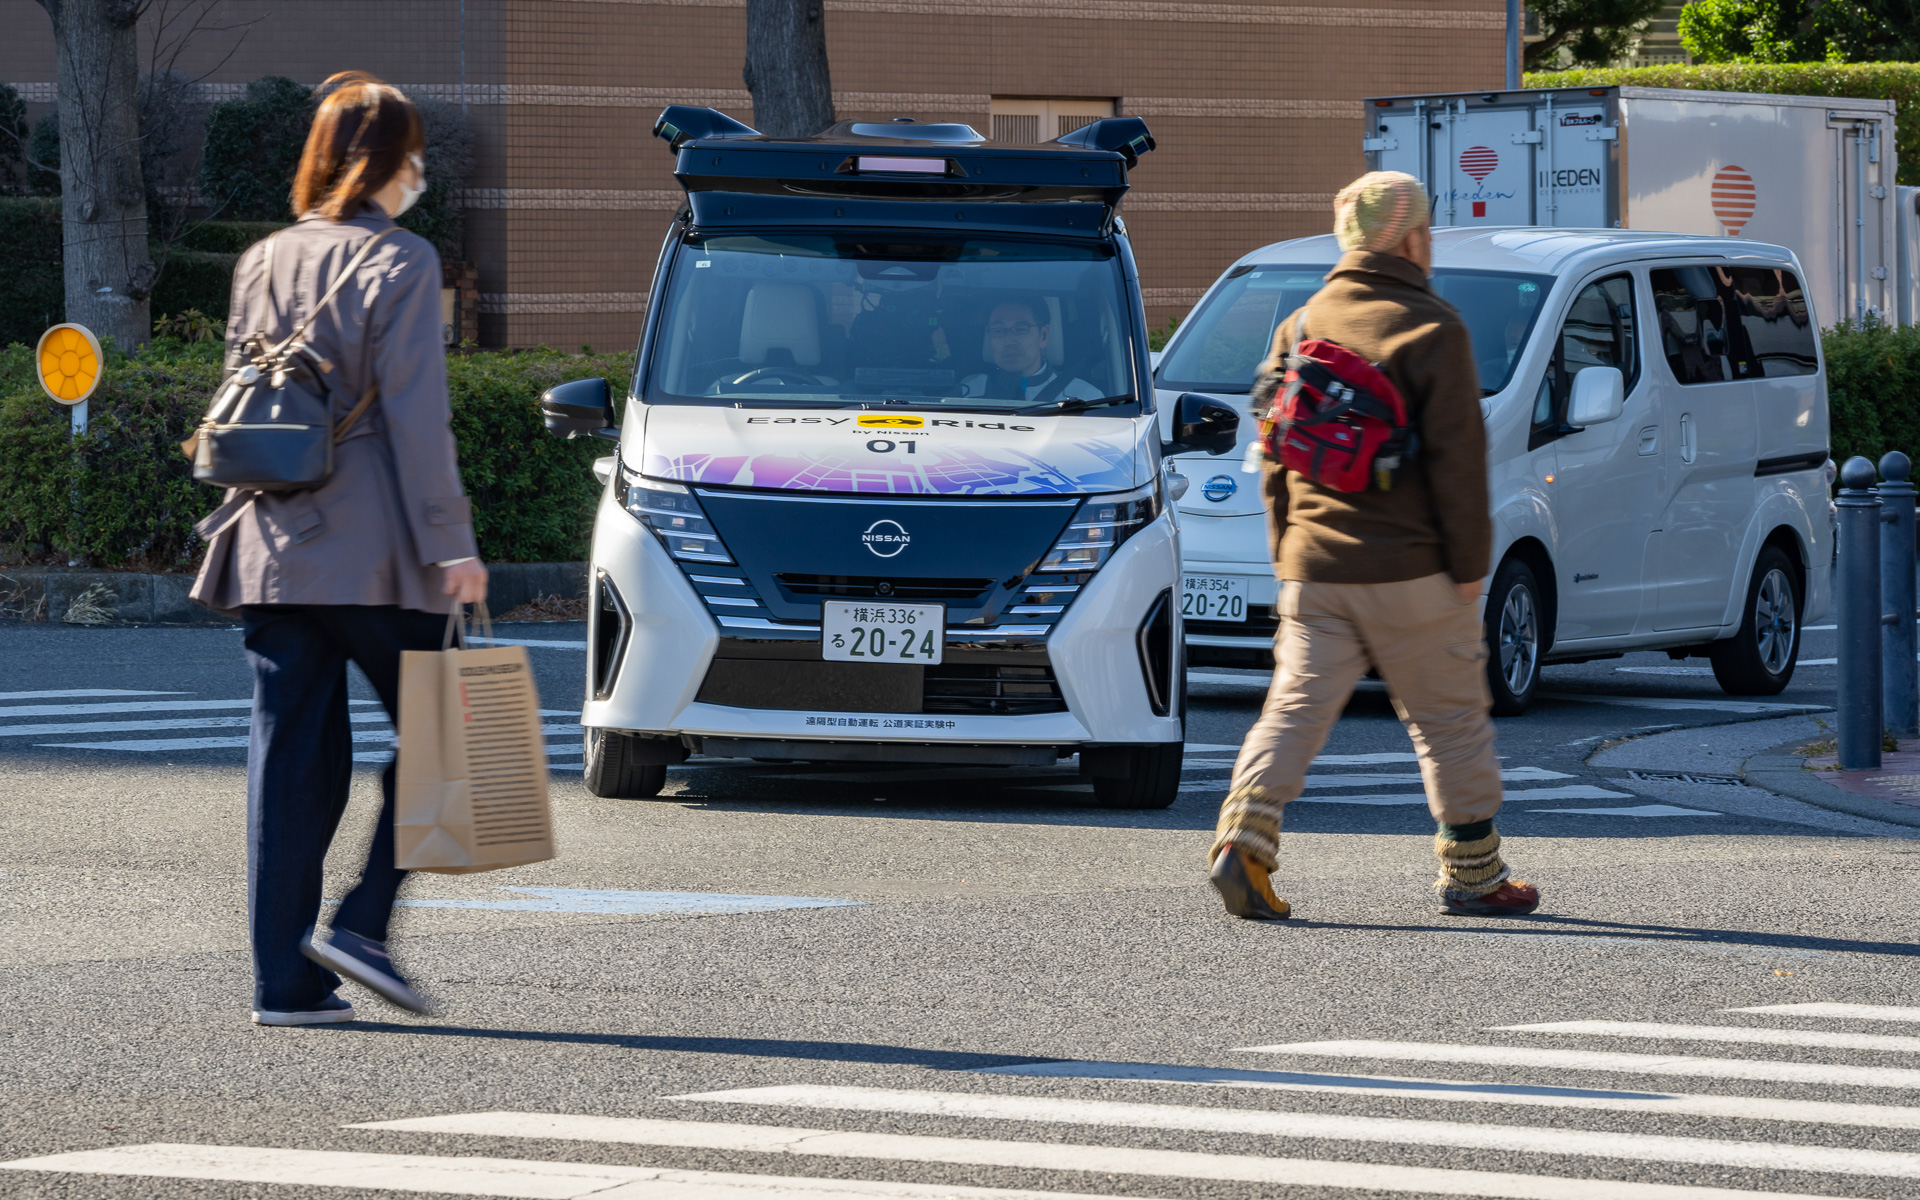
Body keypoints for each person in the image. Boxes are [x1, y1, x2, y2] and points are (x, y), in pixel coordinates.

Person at [189, 71, 489, 1025]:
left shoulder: (261, 258)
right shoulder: (400, 262)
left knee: (288, 764)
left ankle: (284, 981)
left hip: (272, 545)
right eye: (415, 155)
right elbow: (415, 417)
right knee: (456, 733)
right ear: (389, 161)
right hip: (374, 553)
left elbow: (244, 403)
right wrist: (455, 545)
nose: (421, 171)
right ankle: (363, 921)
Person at [1207, 170, 1541, 921]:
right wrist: (1469, 568)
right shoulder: (1434, 327)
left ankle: (1244, 844)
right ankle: (1475, 873)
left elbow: (1275, 446)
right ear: (1414, 237)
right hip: (1412, 569)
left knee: (1292, 710)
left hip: (1315, 568)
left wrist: (1286, 547)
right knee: (1449, 720)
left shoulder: (1302, 322)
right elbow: (1458, 462)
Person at [959, 298, 1101, 403]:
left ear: (1044, 335)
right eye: (998, 331)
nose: (1009, 341)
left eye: (1020, 329)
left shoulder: (1085, 398)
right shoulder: (966, 393)